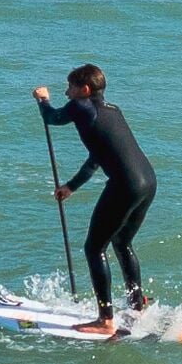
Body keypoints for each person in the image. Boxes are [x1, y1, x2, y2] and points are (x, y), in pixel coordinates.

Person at [36, 63, 155, 328]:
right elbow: (97, 157)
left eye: (70, 87)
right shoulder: (113, 111)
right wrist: (71, 186)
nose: (67, 93)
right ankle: (137, 306)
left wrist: (43, 100)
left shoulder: (82, 107)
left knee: (93, 248)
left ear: (85, 89)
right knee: (122, 241)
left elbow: (52, 118)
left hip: (125, 185)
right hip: (148, 181)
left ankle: (105, 319)